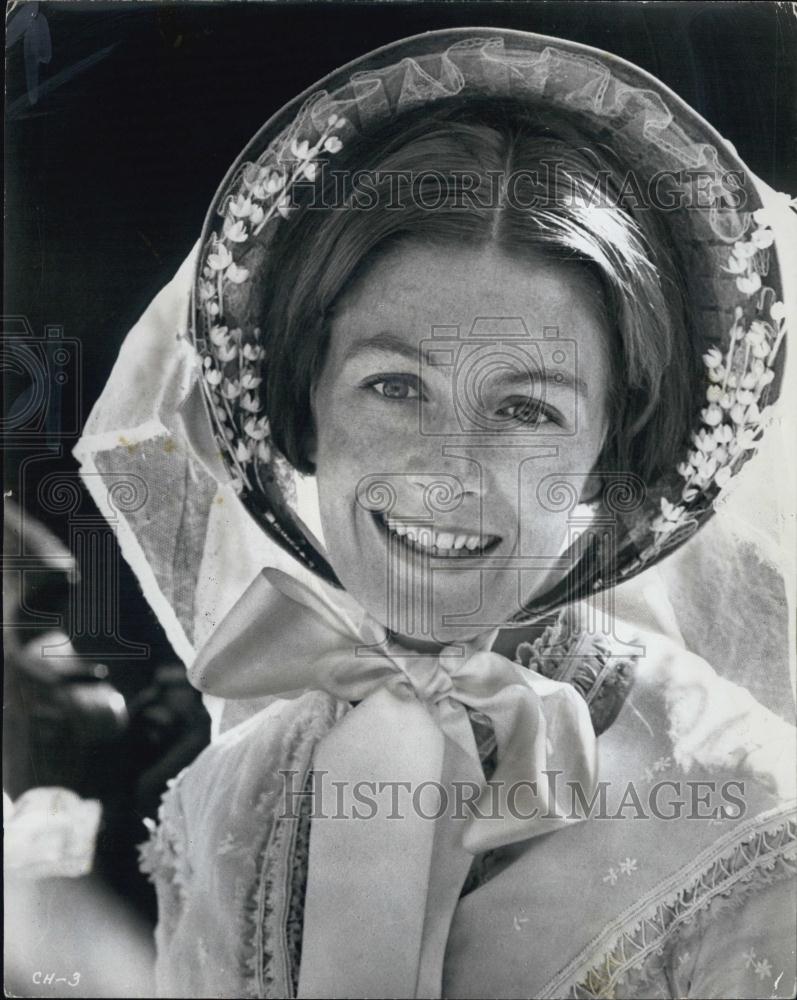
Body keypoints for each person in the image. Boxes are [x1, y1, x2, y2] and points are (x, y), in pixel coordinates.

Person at [74, 29, 796, 999]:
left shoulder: (749, 817)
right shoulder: (224, 801)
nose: (446, 475)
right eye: (393, 386)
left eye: (526, 408)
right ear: (304, 404)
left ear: (609, 455)